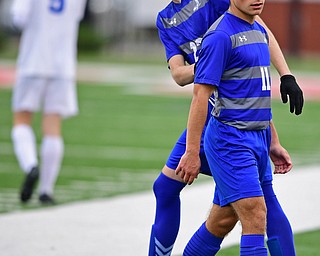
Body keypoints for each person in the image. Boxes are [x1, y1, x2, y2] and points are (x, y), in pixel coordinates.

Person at [149, 0, 303, 255]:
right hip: (214, 116)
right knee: (168, 189)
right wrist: (216, 62)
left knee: (239, 213)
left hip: (231, 114)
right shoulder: (166, 18)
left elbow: (261, 33)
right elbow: (178, 75)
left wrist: (285, 74)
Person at [10, 0, 87, 204]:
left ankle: (30, 166)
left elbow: (19, 17)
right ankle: (46, 189)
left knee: (21, 118)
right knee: (53, 126)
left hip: (33, 60)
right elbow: (77, 16)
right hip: (64, 64)